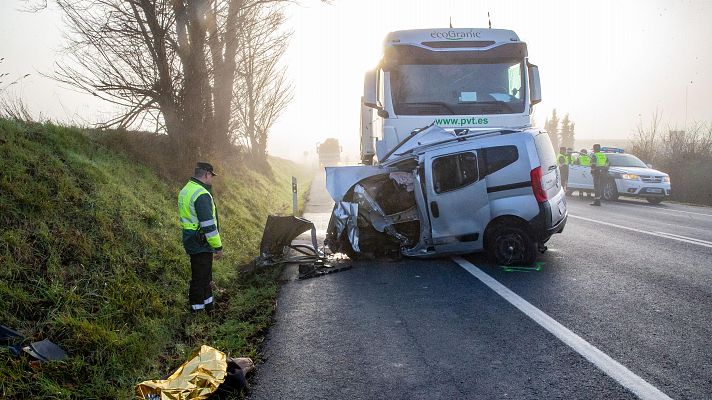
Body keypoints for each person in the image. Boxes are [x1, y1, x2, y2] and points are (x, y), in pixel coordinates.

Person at [178, 162, 223, 312]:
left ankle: (207, 306)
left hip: (191, 238)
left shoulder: (187, 189)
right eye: (211, 176)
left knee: (202, 274)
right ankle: (198, 310)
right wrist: (217, 246)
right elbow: (209, 225)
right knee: (201, 277)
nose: (211, 179)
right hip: (201, 241)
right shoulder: (201, 194)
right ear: (206, 174)